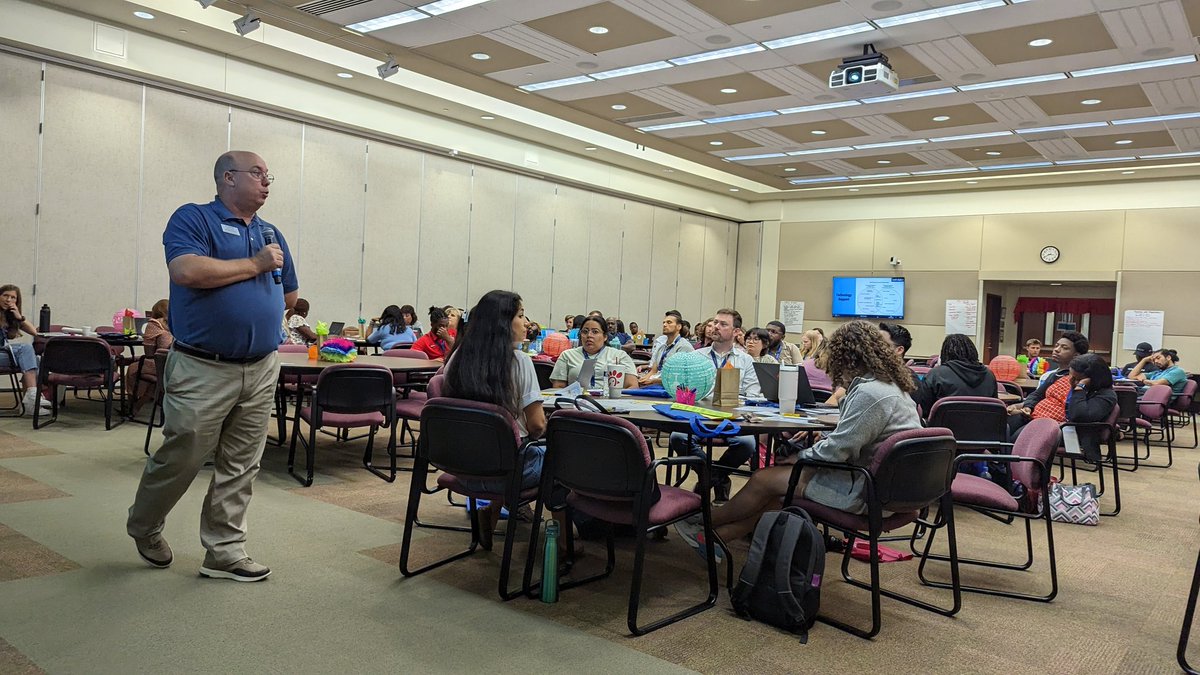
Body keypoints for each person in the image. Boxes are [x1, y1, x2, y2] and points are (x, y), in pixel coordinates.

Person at [127, 150, 298, 582]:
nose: (266, 181)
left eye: (268, 175)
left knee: (242, 464)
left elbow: (290, 296)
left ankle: (224, 551)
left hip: (261, 367)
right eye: (257, 173)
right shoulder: (194, 218)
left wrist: (259, 305)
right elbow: (186, 271)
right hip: (203, 366)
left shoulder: (271, 232)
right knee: (182, 456)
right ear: (227, 178)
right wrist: (254, 266)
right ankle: (144, 525)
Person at [674, 320, 922, 550]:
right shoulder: (891, 387)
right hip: (894, 489)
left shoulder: (871, 393)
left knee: (763, 479)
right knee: (779, 494)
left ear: (846, 356)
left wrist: (801, 457)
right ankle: (714, 539)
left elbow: (839, 450)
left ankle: (702, 520)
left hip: (867, 491)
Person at [442, 290, 554, 548]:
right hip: (509, 472)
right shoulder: (520, 361)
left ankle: (490, 515)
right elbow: (537, 427)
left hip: (461, 467)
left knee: (500, 446)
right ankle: (564, 543)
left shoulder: (457, 358)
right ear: (502, 322)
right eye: (521, 316)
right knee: (561, 458)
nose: (527, 323)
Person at [668, 308, 761, 501]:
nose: (716, 327)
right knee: (678, 437)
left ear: (736, 331)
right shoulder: (695, 357)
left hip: (732, 417)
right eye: (715, 322)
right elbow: (683, 389)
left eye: (723, 324)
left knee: (747, 443)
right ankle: (716, 478)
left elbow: (752, 395)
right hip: (699, 414)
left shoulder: (746, 360)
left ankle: (709, 479)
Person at [1007, 332, 1089, 441]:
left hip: (1055, 425)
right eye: (1057, 345)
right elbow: (1036, 395)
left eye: (1064, 348)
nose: (1057, 350)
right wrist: (1027, 407)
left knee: (1017, 438)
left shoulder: (1079, 379)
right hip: (1036, 416)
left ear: (1076, 355)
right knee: (1004, 424)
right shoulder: (1054, 375)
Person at [913, 333, 998, 416]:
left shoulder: (936, 374)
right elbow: (995, 410)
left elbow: (924, 410)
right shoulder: (989, 375)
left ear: (945, 353)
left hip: (945, 425)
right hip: (983, 424)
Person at [0, 284, 51, 414]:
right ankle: (32, 396)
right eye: (5, 296)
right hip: (2, 352)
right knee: (26, 348)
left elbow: (34, 332)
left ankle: (29, 403)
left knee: (36, 359)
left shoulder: (8, 315)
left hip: (3, 352)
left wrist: (19, 317)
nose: (8, 300)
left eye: (13, 297)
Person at [549, 315, 637, 389]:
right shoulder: (567, 355)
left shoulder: (619, 356)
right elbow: (558, 387)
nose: (589, 335)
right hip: (576, 401)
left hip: (610, 402)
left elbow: (632, 386)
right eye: (585, 331)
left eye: (595, 332)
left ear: (605, 336)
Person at [1064, 353, 1118, 463]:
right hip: (1064, 425)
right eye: (1071, 376)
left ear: (1093, 379)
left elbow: (1079, 415)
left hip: (1075, 432)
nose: (1072, 381)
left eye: (1077, 379)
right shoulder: (1076, 386)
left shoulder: (1107, 395)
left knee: (1036, 432)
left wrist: (1079, 388)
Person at [125, 298, 175, 416]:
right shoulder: (177, 324)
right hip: (175, 365)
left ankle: (133, 404)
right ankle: (140, 404)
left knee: (133, 369)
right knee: (158, 377)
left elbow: (149, 353)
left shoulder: (154, 324)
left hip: (160, 364)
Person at [638, 310, 693, 386]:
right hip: (656, 382)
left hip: (672, 387)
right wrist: (644, 379)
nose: (664, 325)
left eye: (669, 322)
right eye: (663, 322)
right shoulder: (662, 347)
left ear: (679, 326)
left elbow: (680, 377)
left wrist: (653, 381)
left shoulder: (684, 347)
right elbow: (653, 371)